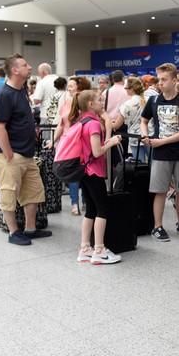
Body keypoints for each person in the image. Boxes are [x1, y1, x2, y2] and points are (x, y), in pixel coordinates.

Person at [0, 54, 53, 245]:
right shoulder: (3, 95)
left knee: (33, 191)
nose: (30, 67)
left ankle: (30, 228)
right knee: (9, 192)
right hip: (10, 155)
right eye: (25, 65)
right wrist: (8, 154)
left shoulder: (21, 91)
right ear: (15, 70)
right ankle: (13, 232)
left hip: (26, 153)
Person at [68, 90, 123, 265]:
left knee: (91, 209)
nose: (102, 102)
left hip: (83, 171)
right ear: (90, 104)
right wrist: (112, 143)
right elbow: (97, 151)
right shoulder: (93, 124)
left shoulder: (80, 121)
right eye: (99, 100)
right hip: (94, 172)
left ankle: (85, 248)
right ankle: (99, 249)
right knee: (102, 209)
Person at [140, 63, 179, 241]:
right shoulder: (154, 100)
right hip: (161, 154)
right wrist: (145, 135)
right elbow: (144, 120)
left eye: (164, 79)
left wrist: (162, 141)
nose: (160, 83)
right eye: (158, 79)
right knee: (159, 190)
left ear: (175, 80)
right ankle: (157, 226)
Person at [53, 76, 92, 215]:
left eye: (71, 86)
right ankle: (75, 203)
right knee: (73, 173)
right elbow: (61, 124)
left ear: (80, 87)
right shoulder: (66, 103)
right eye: (68, 86)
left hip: (82, 142)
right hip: (68, 144)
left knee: (85, 173)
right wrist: (53, 140)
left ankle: (85, 202)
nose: (68, 88)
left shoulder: (86, 104)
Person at [113, 77, 147, 162]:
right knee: (152, 164)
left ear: (131, 89)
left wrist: (106, 121)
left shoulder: (127, 105)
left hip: (135, 138)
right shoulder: (148, 100)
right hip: (149, 136)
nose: (125, 90)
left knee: (140, 166)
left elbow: (116, 125)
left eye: (125, 88)